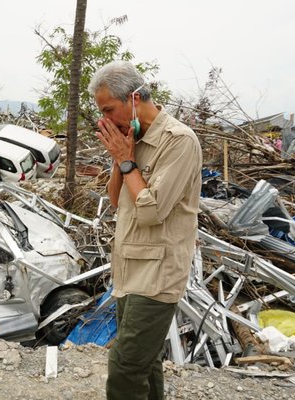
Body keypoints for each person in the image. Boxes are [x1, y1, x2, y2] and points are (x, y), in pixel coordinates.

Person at [88, 61, 202, 400]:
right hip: (130, 266)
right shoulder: (132, 138)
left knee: (125, 365)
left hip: (159, 273)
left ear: (135, 98)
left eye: (109, 109)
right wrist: (119, 156)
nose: (106, 119)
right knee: (145, 360)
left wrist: (127, 160)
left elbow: (151, 210)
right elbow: (116, 199)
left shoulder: (179, 141)